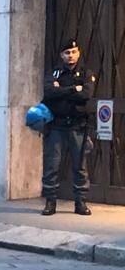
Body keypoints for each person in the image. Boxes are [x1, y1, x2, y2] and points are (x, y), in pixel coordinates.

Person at [40, 38, 96, 216]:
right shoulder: (54, 73)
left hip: (77, 126)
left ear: (78, 53)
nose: (70, 56)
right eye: (67, 53)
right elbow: (49, 92)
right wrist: (73, 90)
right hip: (56, 125)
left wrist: (62, 91)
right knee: (52, 165)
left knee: (80, 166)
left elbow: (86, 94)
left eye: (73, 52)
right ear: (61, 55)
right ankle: (50, 202)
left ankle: (80, 202)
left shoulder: (86, 73)